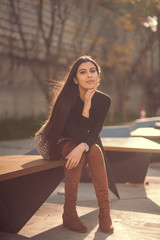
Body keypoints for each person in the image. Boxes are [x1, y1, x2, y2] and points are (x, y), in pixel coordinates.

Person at [35, 56, 114, 234]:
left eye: (93, 71)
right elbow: (74, 135)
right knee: (75, 149)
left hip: (81, 143)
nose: (89, 76)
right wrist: (86, 107)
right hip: (57, 142)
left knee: (94, 150)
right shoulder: (66, 99)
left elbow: (94, 133)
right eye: (83, 72)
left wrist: (83, 146)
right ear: (75, 78)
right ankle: (69, 212)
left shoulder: (104, 101)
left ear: (98, 76)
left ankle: (105, 212)